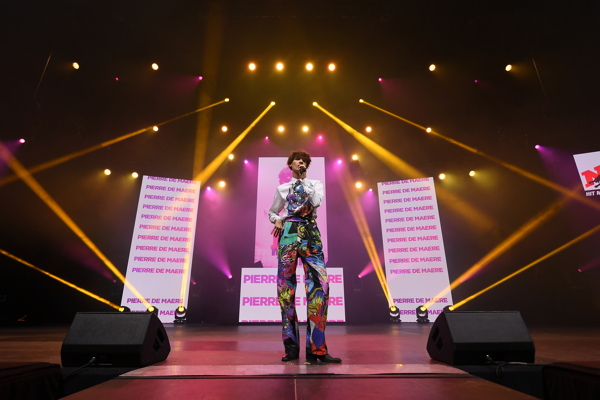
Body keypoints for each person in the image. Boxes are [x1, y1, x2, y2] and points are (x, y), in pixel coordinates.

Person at [268, 150, 341, 363]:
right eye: (297, 160)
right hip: (289, 232)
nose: (301, 162)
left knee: (320, 287)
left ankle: (317, 349)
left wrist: (304, 182)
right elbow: (273, 211)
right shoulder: (282, 188)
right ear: (290, 164)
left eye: (305, 161)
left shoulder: (315, 184)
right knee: (285, 289)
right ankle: (291, 348)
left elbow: (316, 202)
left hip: (310, 232)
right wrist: (277, 219)